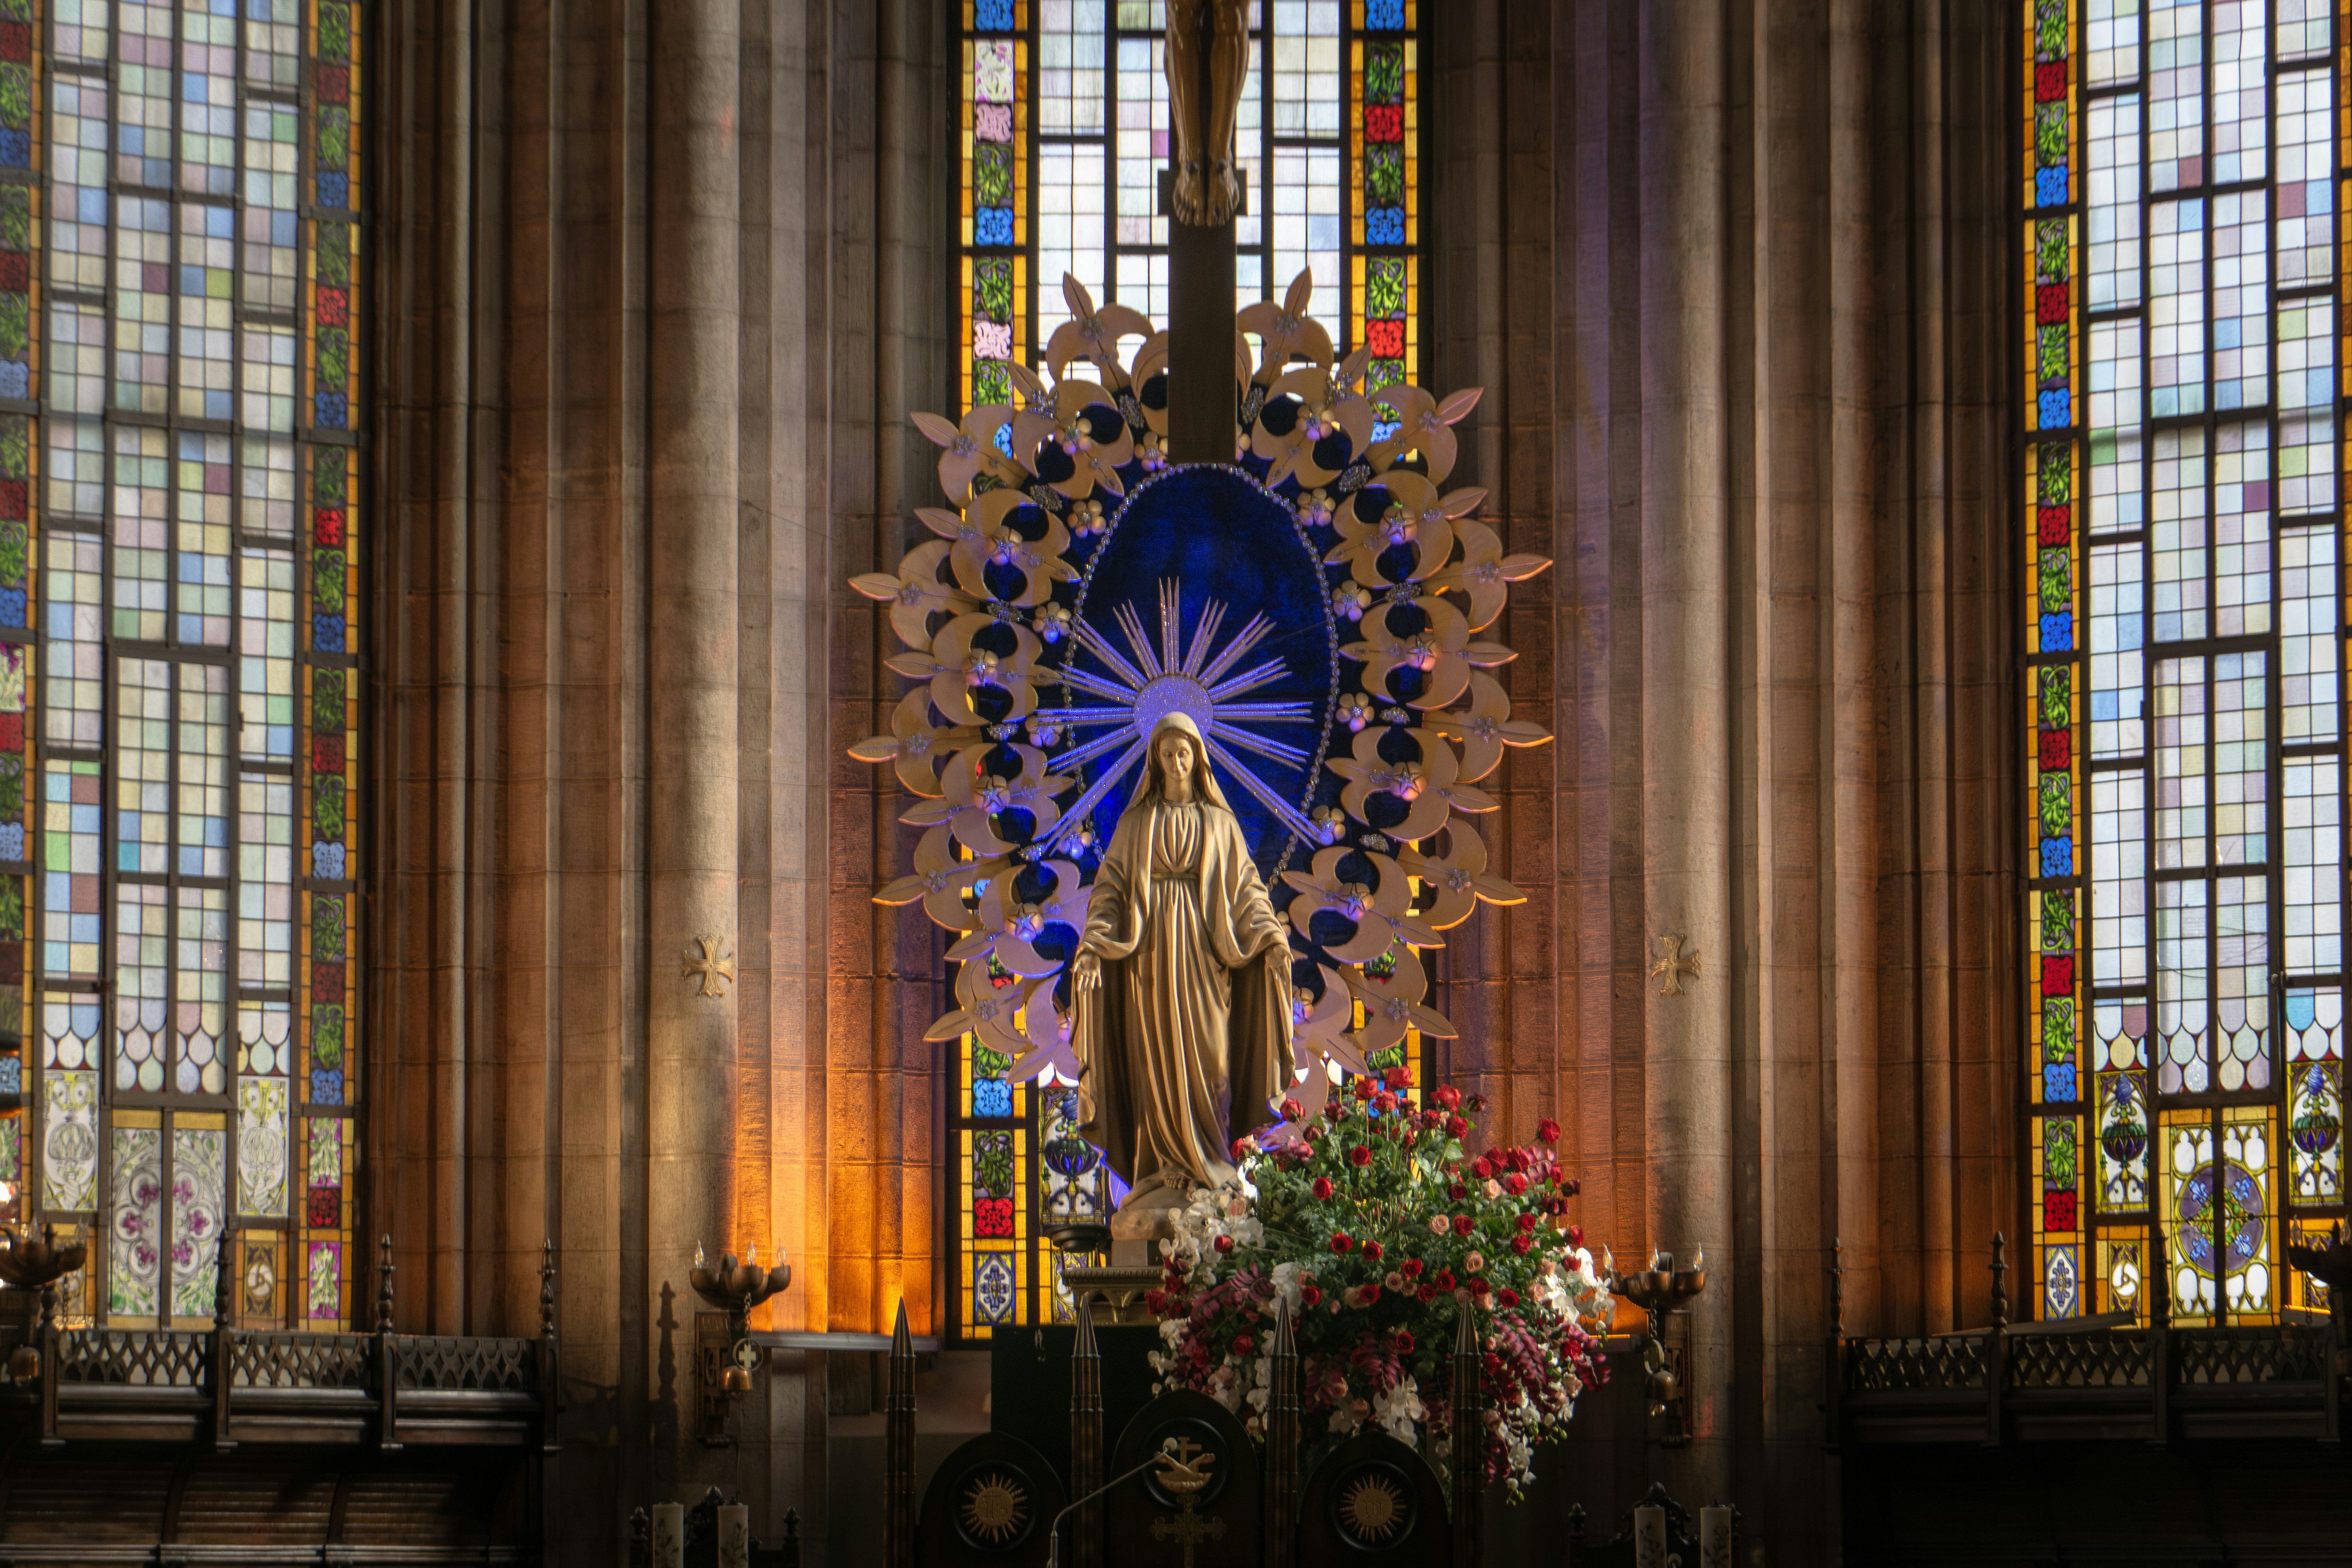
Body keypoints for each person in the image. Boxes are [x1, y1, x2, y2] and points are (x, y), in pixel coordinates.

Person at [1071, 712, 1293, 1234]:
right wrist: (1092, 949)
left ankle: (1212, 1166)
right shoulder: (1135, 824)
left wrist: (1270, 938)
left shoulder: (1219, 823)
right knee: (1155, 1067)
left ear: (1198, 759)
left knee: (1213, 1064)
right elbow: (1110, 891)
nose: (1176, 762)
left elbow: (1246, 891)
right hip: (1148, 961)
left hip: (1205, 958)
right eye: (1167, 753)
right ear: (1155, 760)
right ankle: (1160, 1169)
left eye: (1184, 753)